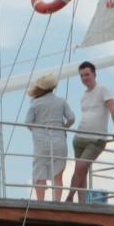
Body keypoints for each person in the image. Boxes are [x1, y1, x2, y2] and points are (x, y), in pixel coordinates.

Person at [66, 60, 114, 202]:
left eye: (87, 74)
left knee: (81, 166)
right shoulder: (83, 95)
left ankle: (69, 196)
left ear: (94, 74)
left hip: (96, 139)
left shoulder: (103, 89)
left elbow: (113, 110)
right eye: (81, 76)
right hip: (79, 137)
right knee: (81, 171)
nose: (84, 78)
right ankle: (81, 203)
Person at [24, 73, 75, 201]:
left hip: (41, 142)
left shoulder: (35, 103)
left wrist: (36, 130)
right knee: (58, 175)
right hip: (59, 141)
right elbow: (72, 118)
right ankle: (56, 201)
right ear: (53, 87)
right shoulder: (61, 101)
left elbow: (28, 122)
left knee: (39, 172)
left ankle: (40, 201)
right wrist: (64, 127)